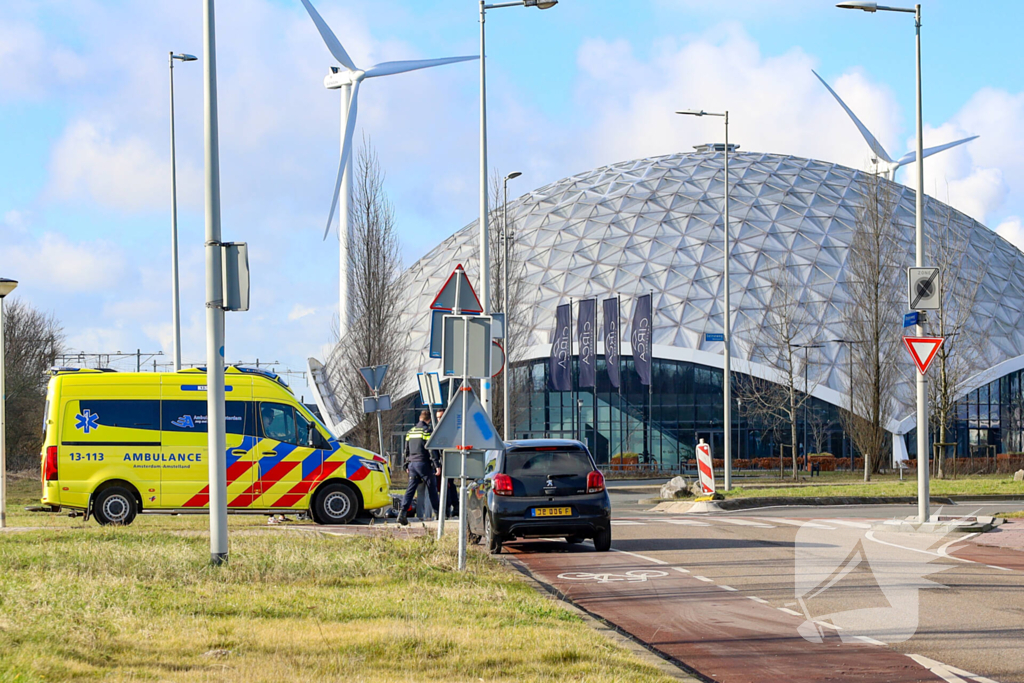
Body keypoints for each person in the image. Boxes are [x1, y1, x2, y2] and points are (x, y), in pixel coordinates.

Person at [399, 410, 439, 526]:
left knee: (410, 490)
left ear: (420, 419)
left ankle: (402, 513)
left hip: (412, 464)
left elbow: (406, 450)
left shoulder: (410, 432)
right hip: (424, 463)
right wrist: (437, 465)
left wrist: (406, 464)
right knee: (432, 488)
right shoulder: (427, 431)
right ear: (429, 420)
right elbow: (431, 450)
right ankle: (438, 513)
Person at [433, 408, 459, 519]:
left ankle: (447, 509)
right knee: (448, 485)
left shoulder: (451, 430)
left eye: (441, 417)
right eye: (438, 417)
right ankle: (455, 507)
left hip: (450, 460)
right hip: (442, 461)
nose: (439, 419)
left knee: (447, 485)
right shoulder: (437, 429)